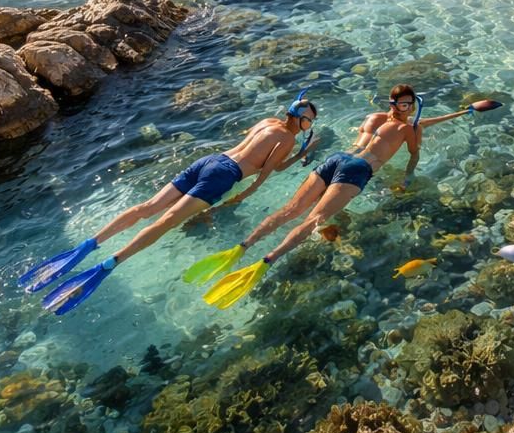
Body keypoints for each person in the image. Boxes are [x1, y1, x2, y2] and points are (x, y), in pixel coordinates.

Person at [196, 85, 496, 306]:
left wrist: (456, 113)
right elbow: (413, 151)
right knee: (316, 219)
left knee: (290, 210)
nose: (407, 108)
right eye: (406, 104)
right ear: (401, 105)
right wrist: (408, 177)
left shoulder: (373, 116)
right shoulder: (409, 129)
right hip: (358, 169)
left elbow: (403, 125)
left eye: (409, 104)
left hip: (337, 158)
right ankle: (265, 261)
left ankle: (241, 246)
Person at [21, 98, 320, 312]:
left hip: (211, 160)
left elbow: (251, 148)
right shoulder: (288, 140)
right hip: (225, 175)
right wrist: (244, 194)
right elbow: (266, 172)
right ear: (304, 122)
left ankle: (90, 244)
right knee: (165, 223)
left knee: (149, 207)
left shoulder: (266, 122)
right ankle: (110, 263)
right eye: (310, 121)